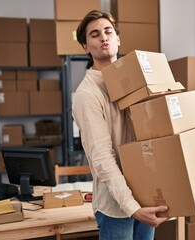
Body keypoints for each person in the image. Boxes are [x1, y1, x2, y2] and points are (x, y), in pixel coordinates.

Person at [72, 10, 169, 240]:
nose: (103, 37)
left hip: (145, 194)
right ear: (86, 46)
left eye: (108, 31)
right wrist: (131, 207)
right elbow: (102, 157)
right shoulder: (87, 94)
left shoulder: (135, 82)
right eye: (94, 34)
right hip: (116, 205)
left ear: (118, 39)